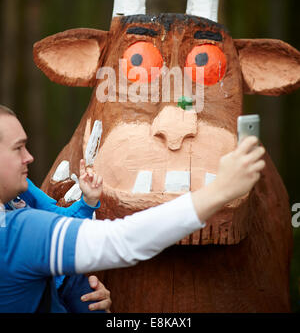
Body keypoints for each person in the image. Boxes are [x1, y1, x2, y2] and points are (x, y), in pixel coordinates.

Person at [0, 105, 266, 313]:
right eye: (18, 148)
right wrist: (220, 191)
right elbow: (124, 240)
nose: (29, 157)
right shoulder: (15, 232)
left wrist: (54, 292)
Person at [5, 141, 111, 313]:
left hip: (66, 279)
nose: (29, 157)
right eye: (17, 148)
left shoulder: (21, 185)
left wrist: (87, 201)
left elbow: (59, 220)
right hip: (35, 293)